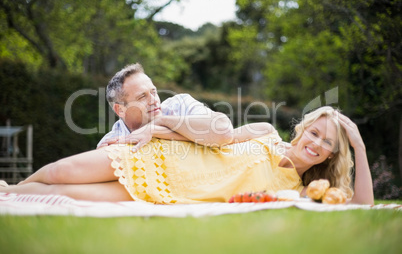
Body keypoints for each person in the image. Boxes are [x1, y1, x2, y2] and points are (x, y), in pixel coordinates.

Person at [0, 106, 374, 205]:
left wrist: (358, 145)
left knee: (66, 194)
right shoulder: (265, 133)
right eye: (315, 132)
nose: (316, 143)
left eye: (329, 143)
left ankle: (8, 194)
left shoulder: (303, 189)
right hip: (159, 156)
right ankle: (11, 186)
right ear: (303, 128)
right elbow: (216, 139)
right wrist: (148, 132)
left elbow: (362, 207)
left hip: (168, 191)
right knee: (59, 172)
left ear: (331, 154)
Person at [97, 63, 234, 151]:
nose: (154, 101)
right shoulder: (113, 142)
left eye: (154, 92)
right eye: (142, 97)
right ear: (120, 109)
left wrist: (160, 123)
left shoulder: (180, 104)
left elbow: (223, 131)